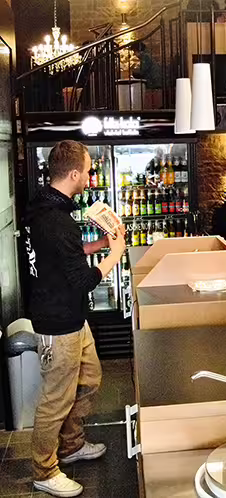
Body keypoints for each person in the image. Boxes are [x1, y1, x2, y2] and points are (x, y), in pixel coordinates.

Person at [24, 140, 126, 497]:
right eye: (86, 171)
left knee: (89, 380)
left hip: (72, 317)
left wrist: (97, 246)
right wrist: (115, 254)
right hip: (58, 322)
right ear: (72, 174)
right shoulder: (56, 221)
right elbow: (83, 280)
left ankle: (71, 445)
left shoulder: (44, 207)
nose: (89, 177)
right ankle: (44, 470)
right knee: (55, 401)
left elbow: (62, 255)